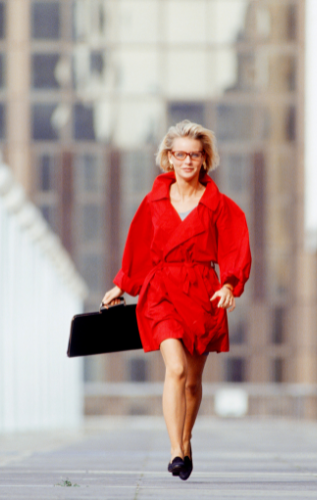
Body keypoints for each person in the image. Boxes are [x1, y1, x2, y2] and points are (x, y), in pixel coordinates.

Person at [103, 120, 251, 481]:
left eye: (194, 155)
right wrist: (122, 284)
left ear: (204, 159)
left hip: (203, 292)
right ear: (169, 157)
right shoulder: (153, 202)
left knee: (193, 383)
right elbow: (137, 245)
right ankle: (173, 452)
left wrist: (230, 285)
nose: (187, 161)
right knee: (176, 369)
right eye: (180, 154)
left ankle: (185, 441)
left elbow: (235, 246)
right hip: (161, 291)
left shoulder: (220, 206)